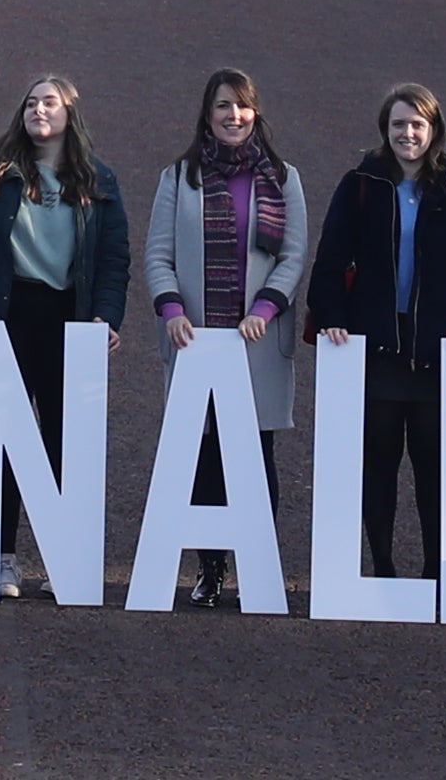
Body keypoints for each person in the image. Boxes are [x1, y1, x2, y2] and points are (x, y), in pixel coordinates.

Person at [0, 73, 130, 600]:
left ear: (70, 115)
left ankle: (67, 558)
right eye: (32, 102)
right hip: (8, 312)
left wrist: (107, 315)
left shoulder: (98, 180)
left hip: (69, 317)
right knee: (3, 442)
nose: (39, 109)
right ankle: (1, 559)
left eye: (51, 102)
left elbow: (113, 259)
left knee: (66, 440)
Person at [304, 81, 446, 586]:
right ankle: (383, 568)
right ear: (384, 130)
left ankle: (436, 571)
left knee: (435, 472)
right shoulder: (361, 184)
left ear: (433, 130)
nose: (407, 134)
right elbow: (328, 258)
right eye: (398, 125)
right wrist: (330, 314)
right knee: (378, 470)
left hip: (438, 352)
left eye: (417, 124)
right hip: (378, 350)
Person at [139, 66, 309, 610]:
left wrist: (265, 308)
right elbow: (158, 255)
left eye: (241, 106)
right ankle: (210, 568)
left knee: (257, 454)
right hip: (196, 340)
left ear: (255, 112)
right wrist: (170, 310)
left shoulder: (283, 178)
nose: (233, 116)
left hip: (255, 340)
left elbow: (293, 256)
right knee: (204, 454)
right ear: (206, 115)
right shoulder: (179, 177)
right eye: (222, 107)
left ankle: (258, 562)